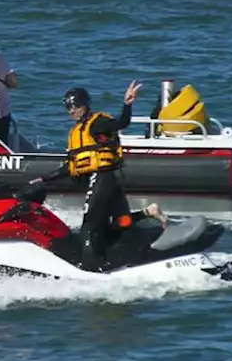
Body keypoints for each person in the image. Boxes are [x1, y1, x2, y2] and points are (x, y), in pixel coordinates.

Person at [18, 80, 153, 272]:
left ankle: (90, 267)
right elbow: (71, 166)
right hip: (109, 181)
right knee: (121, 221)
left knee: (90, 226)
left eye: (74, 107)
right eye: (68, 108)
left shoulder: (97, 123)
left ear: (84, 105)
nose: (71, 111)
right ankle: (137, 245)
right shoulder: (75, 132)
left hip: (102, 178)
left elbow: (121, 123)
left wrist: (127, 104)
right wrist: (44, 179)